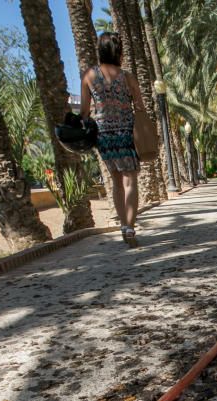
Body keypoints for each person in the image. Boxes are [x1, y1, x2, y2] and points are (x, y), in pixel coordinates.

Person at [80, 32, 145, 247]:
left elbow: (84, 112)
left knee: (116, 181)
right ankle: (130, 226)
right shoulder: (127, 77)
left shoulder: (89, 76)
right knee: (130, 181)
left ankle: (123, 226)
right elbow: (140, 107)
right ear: (119, 52)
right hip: (125, 133)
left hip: (104, 135)